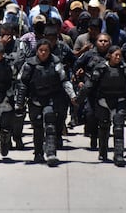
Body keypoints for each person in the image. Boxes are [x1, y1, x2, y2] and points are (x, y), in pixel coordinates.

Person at [16, 39, 76, 167]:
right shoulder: (29, 65)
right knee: (37, 127)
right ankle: (38, 153)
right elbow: (22, 84)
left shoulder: (56, 63)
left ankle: (51, 153)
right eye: (41, 50)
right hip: (35, 100)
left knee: (50, 124)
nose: (43, 53)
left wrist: (72, 95)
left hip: (51, 99)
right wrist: (19, 103)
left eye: (46, 51)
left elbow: (64, 80)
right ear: (37, 51)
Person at [78, 45, 126, 166]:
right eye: (116, 55)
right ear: (109, 55)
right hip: (103, 101)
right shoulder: (100, 68)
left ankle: (119, 154)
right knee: (104, 127)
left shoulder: (125, 69)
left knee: (119, 127)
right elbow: (90, 85)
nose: (118, 57)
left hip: (120, 100)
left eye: (120, 55)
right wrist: (79, 98)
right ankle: (103, 151)